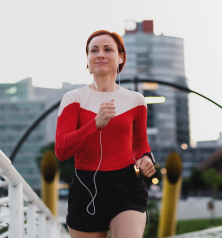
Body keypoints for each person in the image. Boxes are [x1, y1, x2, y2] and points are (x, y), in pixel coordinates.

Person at [55, 30, 156, 238]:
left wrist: (144, 158)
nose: (100, 54)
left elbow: (139, 144)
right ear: (88, 60)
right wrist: (95, 124)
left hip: (126, 186)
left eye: (107, 49)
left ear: (121, 57)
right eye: (94, 50)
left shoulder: (136, 100)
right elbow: (62, 149)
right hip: (86, 187)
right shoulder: (73, 98)